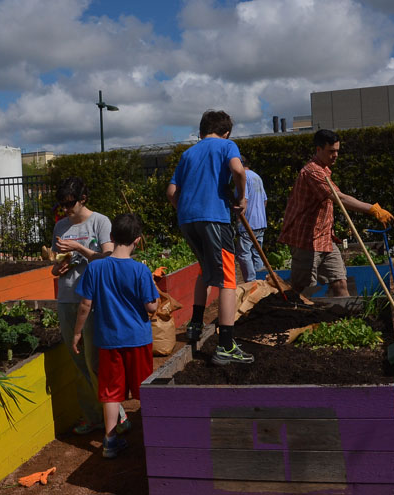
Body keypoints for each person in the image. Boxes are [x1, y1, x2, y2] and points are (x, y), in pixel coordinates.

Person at [166, 109, 253, 365]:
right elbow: (238, 170)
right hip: (214, 218)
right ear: (226, 132)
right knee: (228, 279)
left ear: (202, 130)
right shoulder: (227, 145)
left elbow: (171, 191)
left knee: (205, 270)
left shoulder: (188, 153)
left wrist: (186, 209)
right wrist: (241, 197)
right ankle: (226, 345)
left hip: (187, 220)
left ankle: (195, 324)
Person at [72, 213, 159, 458]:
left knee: (111, 391)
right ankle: (153, 438)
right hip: (139, 339)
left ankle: (109, 441)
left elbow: (85, 305)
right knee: (145, 389)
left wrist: (77, 333)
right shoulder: (141, 270)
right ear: (138, 240)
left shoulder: (96, 267)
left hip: (108, 341)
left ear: (111, 237)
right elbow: (151, 307)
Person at [51, 177, 130, 434]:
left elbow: (109, 258)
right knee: (78, 362)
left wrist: (79, 248)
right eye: (61, 205)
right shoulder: (60, 227)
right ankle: (94, 416)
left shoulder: (100, 222)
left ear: (83, 199)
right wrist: (58, 267)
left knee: (95, 360)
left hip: (93, 301)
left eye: (69, 203)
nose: (65, 209)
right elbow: (55, 264)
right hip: (67, 298)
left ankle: (117, 415)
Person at [278, 129, 394, 297]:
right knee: (302, 290)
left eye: (337, 151)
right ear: (318, 150)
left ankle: (348, 320)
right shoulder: (312, 172)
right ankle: (290, 316)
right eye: (331, 151)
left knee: (340, 282)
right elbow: (340, 198)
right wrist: (373, 209)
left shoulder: (324, 170)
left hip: (325, 238)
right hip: (306, 241)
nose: (335, 155)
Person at [235, 155, 268, 282]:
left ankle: (251, 282)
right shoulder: (256, 176)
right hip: (260, 222)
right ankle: (259, 281)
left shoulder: (242, 177)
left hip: (248, 223)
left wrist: (239, 220)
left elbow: (244, 200)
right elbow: (264, 200)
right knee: (257, 253)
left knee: (244, 254)